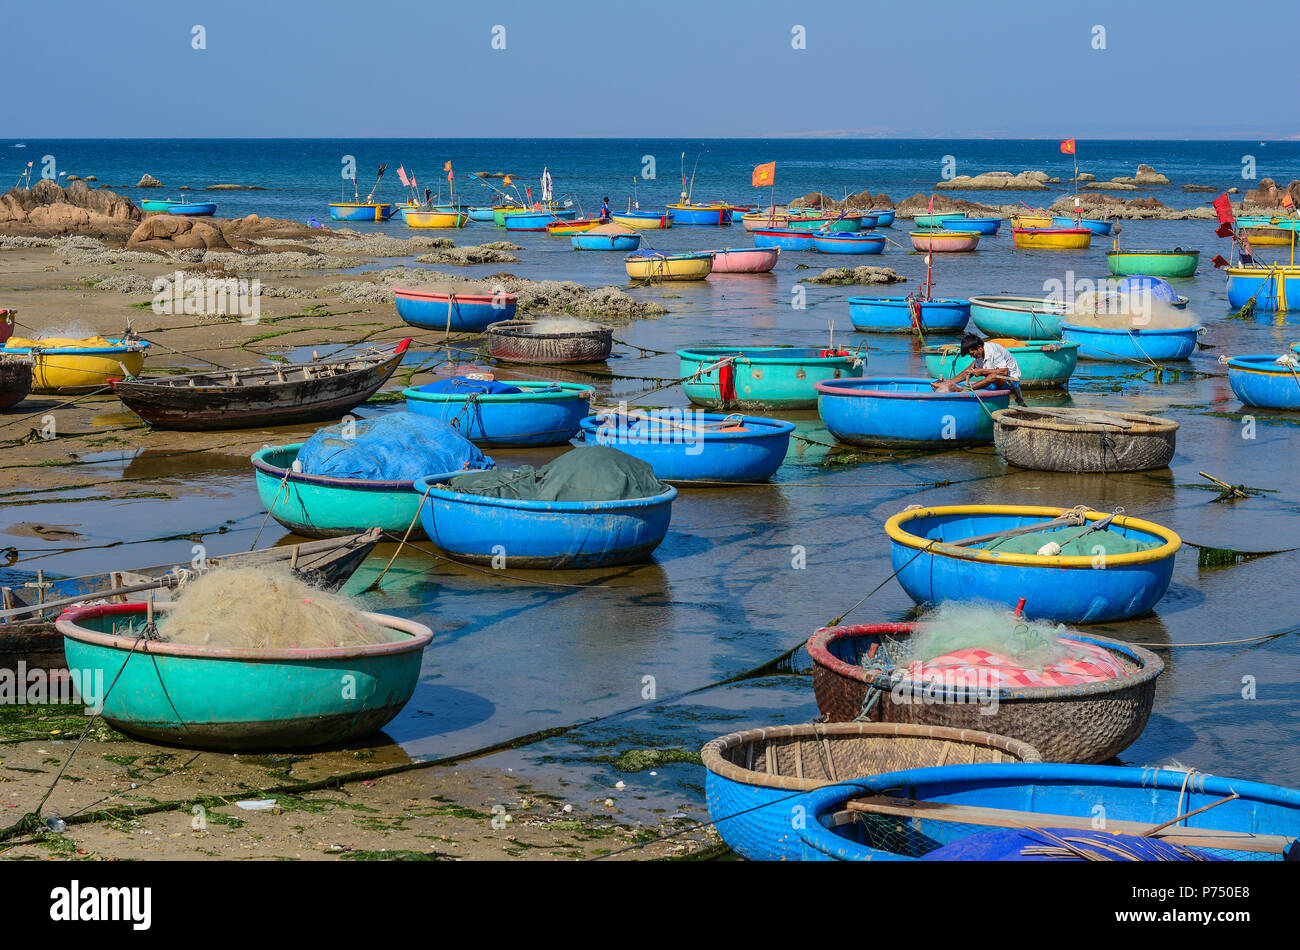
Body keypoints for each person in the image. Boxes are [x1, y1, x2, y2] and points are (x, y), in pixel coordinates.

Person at [933, 333, 1027, 405]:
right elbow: (968, 372)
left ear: (979, 348)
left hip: (1011, 381)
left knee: (992, 376)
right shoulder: (979, 354)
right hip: (996, 382)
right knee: (973, 367)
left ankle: (963, 390)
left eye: (972, 354)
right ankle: (951, 385)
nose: (972, 356)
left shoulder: (992, 350)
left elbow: (1004, 371)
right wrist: (950, 382)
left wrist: (982, 371)